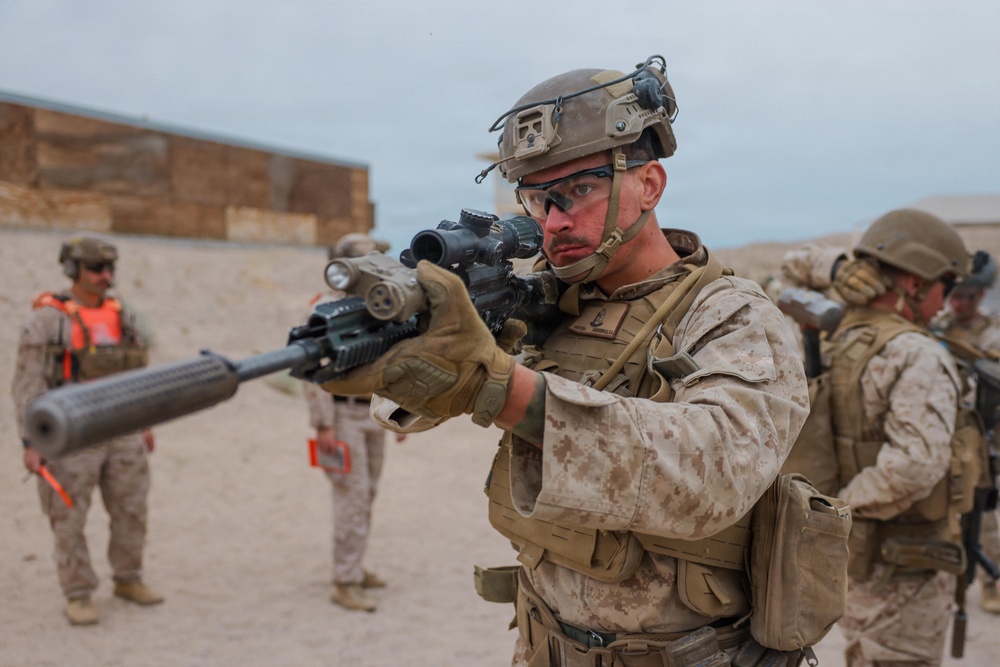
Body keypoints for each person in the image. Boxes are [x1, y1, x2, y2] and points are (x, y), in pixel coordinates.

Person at [320, 56, 809, 665]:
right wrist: (404, 347)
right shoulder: (553, 302)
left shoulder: (731, 315)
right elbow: (409, 410)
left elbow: (713, 474)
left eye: (579, 189)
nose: (553, 221)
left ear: (650, 184)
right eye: (537, 198)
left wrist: (499, 388)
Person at [782, 209, 973, 666]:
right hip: (905, 566)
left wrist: (836, 267)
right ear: (914, 283)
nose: (945, 304)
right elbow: (915, 466)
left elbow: (790, 271)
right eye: (944, 287)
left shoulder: (836, 336)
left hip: (856, 559)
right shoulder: (916, 353)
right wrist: (843, 509)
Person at [11, 233, 162, 626]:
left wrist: (143, 422)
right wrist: (32, 441)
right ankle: (78, 592)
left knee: (131, 510)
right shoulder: (47, 321)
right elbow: (28, 384)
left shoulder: (123, 315)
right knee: (69, 518)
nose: (105, 275)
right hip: (71, 433)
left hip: (122, 428)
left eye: (109, 268)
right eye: (96, 268)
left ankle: (129, 578)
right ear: (72, 269)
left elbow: (137, 373)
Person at [301, 233, 405, 613]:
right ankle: (345, 580)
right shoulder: (325, 310)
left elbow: (393, 359)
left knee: (367, 495)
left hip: (373, 414)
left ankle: (355, 567)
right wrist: (323, 426)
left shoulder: (382, 305)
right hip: (341, 416)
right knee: (352, 498)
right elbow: (311, 372)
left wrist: (399, 412)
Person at [931, 250, 1000, 614]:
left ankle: (992, 582)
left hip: (984, 431)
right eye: (954, 295)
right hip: (947, 429)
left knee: (983, 513)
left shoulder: (993, 333)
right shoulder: (938, 327)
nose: (959, 303)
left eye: (967, 297)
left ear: (981, 297)